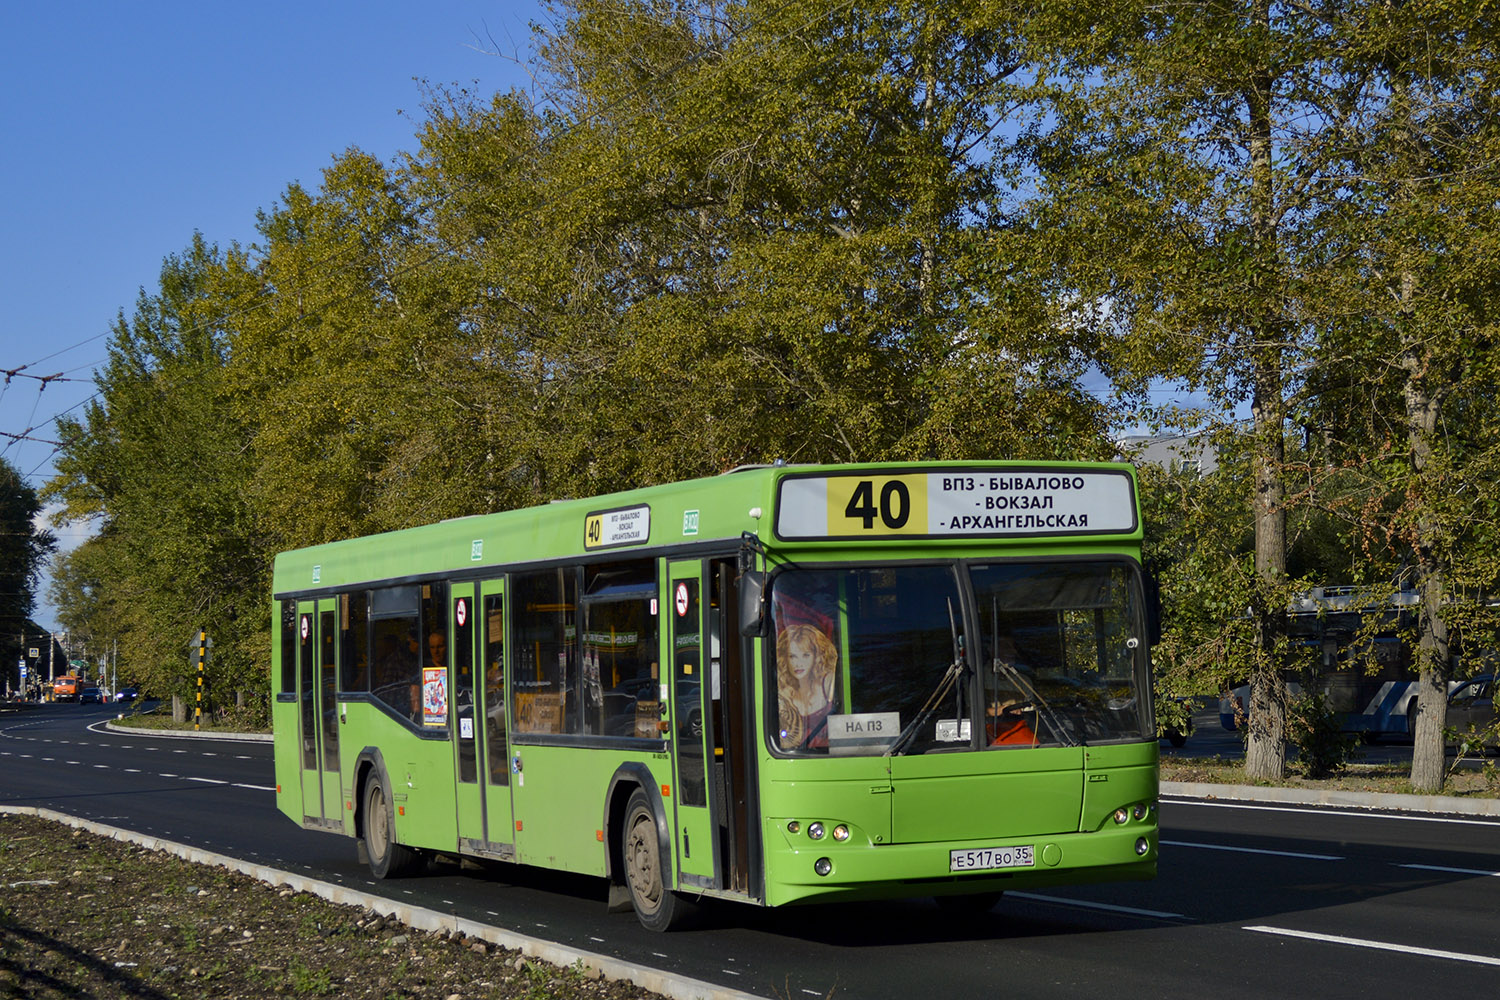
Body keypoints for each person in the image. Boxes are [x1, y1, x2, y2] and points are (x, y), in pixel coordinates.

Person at [776, 624, 838, 750]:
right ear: (785, 658)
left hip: (833, 757)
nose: (798, 663)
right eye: (792, 656)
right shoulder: (781, 693)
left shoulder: (828, 683)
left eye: (806, 655)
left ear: (816, 656)